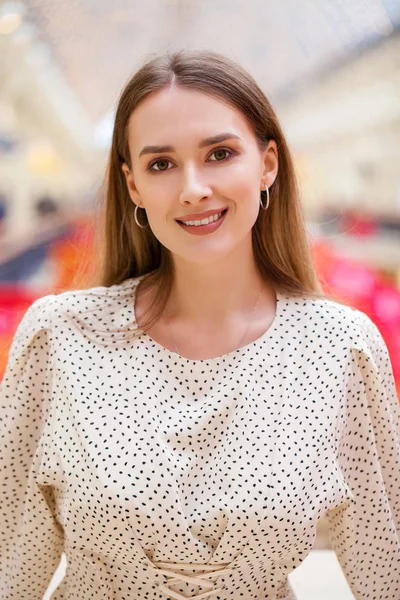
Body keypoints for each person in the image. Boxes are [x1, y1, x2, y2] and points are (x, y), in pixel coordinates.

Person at [0, 50, 399, 600]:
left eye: (219, 153)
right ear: (133, 185)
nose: (193, 188)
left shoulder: (342, 348)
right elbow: (9, 568)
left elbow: (387, 565)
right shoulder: (59, 338)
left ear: (268, 165)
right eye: (161, 164)